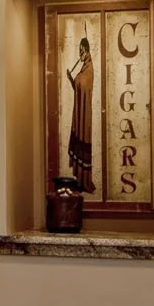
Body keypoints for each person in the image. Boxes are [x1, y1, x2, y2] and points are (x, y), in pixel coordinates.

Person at [65, 33, 96, 193]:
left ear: (87, 51)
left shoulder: (89, 69)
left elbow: (84, 87)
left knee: (83, 141)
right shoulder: (83, 68)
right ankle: (78, 178)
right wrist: (71, 79)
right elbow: (78, 88)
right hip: (79, 111)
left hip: (85, 114)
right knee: (77, 140)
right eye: (78, 51)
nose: (80, 54)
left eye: (81, 51)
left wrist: (77, 80)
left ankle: (84, 181)